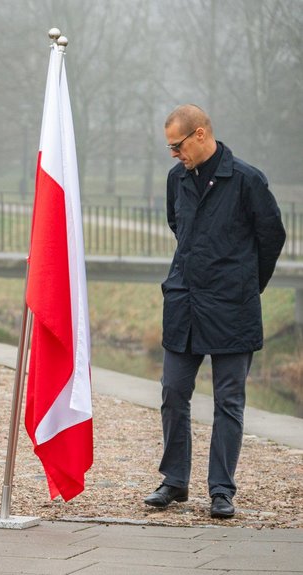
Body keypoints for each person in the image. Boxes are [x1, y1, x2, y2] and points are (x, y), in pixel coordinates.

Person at [144, 104, 286, 519]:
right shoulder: (176, 180)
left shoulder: (247, 180)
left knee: (228, 401)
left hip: (233, 309)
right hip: (184, 303)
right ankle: (174, 481)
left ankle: (221, 490)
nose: (173, 154)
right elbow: (179, 227)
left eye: (177, 145)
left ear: (201, 134)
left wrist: (244, 284)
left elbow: (271, 237)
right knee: (173, 392)